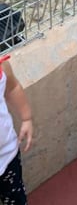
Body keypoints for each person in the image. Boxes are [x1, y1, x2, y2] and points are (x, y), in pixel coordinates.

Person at [0, 56, 33, 204]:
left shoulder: (2, 68)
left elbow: (12, 88)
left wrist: (26, 118)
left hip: (7, 155)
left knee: (15, 198)